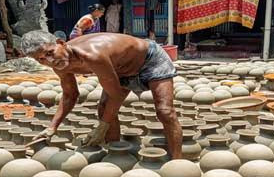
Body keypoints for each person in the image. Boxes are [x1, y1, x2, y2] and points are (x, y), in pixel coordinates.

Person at [21, 30, 182, 159]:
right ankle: (117, 155)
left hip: (149, 59)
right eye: (41, 59)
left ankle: (177, 163)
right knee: (104, 109)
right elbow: (70, 95)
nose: (49, 61)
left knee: (165, 111)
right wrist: (52, 127)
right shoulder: (59, 65)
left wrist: (102, 127)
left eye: (50, 53)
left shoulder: (93, 55)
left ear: (61, 43)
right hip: (120, 69)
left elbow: (117, 95)